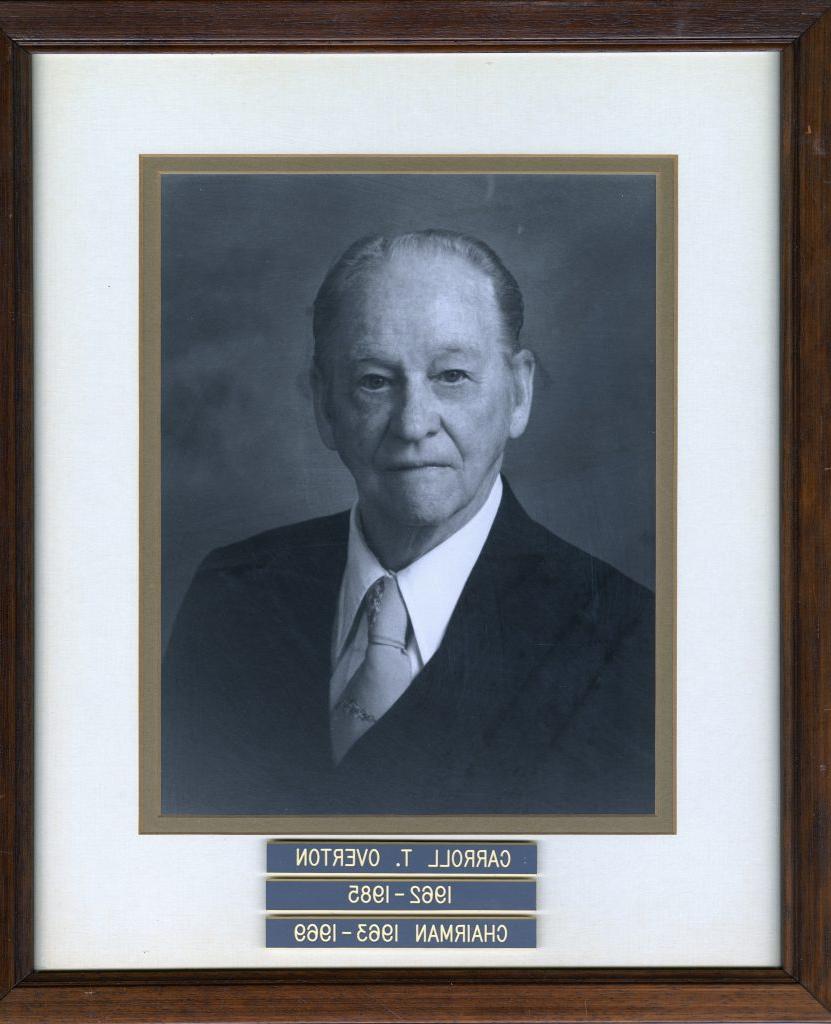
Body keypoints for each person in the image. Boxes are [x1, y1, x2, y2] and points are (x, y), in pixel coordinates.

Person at [161, 229, 654, 816]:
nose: (413, 423)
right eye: (374, 380)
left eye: (451, 376)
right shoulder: (230, 596)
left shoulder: (628, 640)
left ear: (518, 394)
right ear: (325, 406)